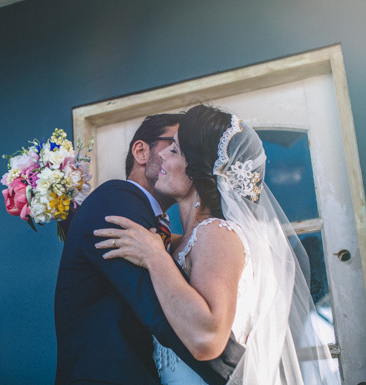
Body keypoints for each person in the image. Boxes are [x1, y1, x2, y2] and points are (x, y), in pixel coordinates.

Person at [95, 105, 340, 384]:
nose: (161, 154)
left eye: (174, 150)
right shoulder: (189, 240)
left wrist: (154, 256)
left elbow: (207, 339)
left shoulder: (216, 234)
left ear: (198, 169)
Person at [54, 113, 244, 385]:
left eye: (183, 149)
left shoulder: (197, 234)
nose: (172, 156)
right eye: (173, 145)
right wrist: (239, 372)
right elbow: (159, 305)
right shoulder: (115, 200)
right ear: (141, 151)